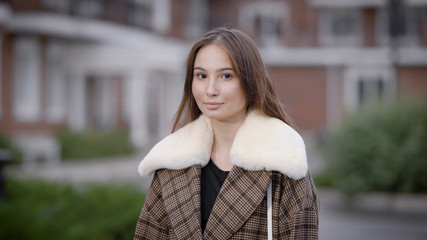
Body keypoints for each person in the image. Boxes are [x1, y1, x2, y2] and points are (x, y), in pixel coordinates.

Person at [134, 27, 318, 240]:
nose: (210, 90)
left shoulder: (284, 163)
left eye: (226, 76)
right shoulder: (172, 161)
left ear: (250, 81)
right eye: (201, 75)